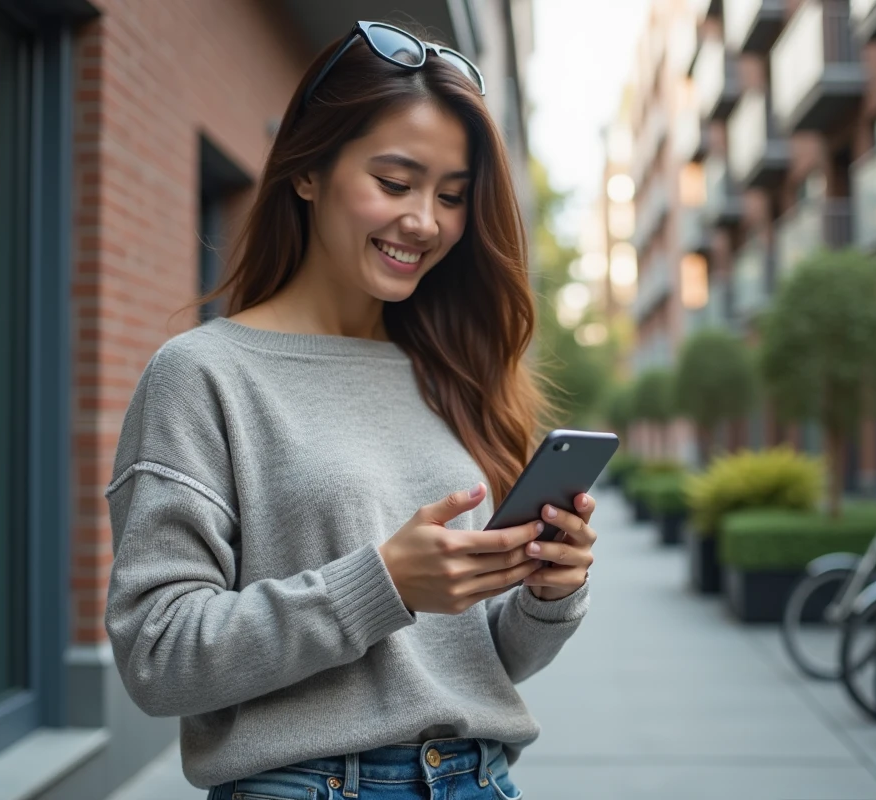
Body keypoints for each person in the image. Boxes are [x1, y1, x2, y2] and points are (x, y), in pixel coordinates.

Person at [103, 20, 598, 800]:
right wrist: (384, 584)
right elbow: (158, 657)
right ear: (308, 171)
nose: (425, 222)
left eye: (452, 196)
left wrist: (548, 593)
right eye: (395, 183)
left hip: (479, 778)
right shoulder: (204, 375)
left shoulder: (453, 372)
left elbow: (481, 660)